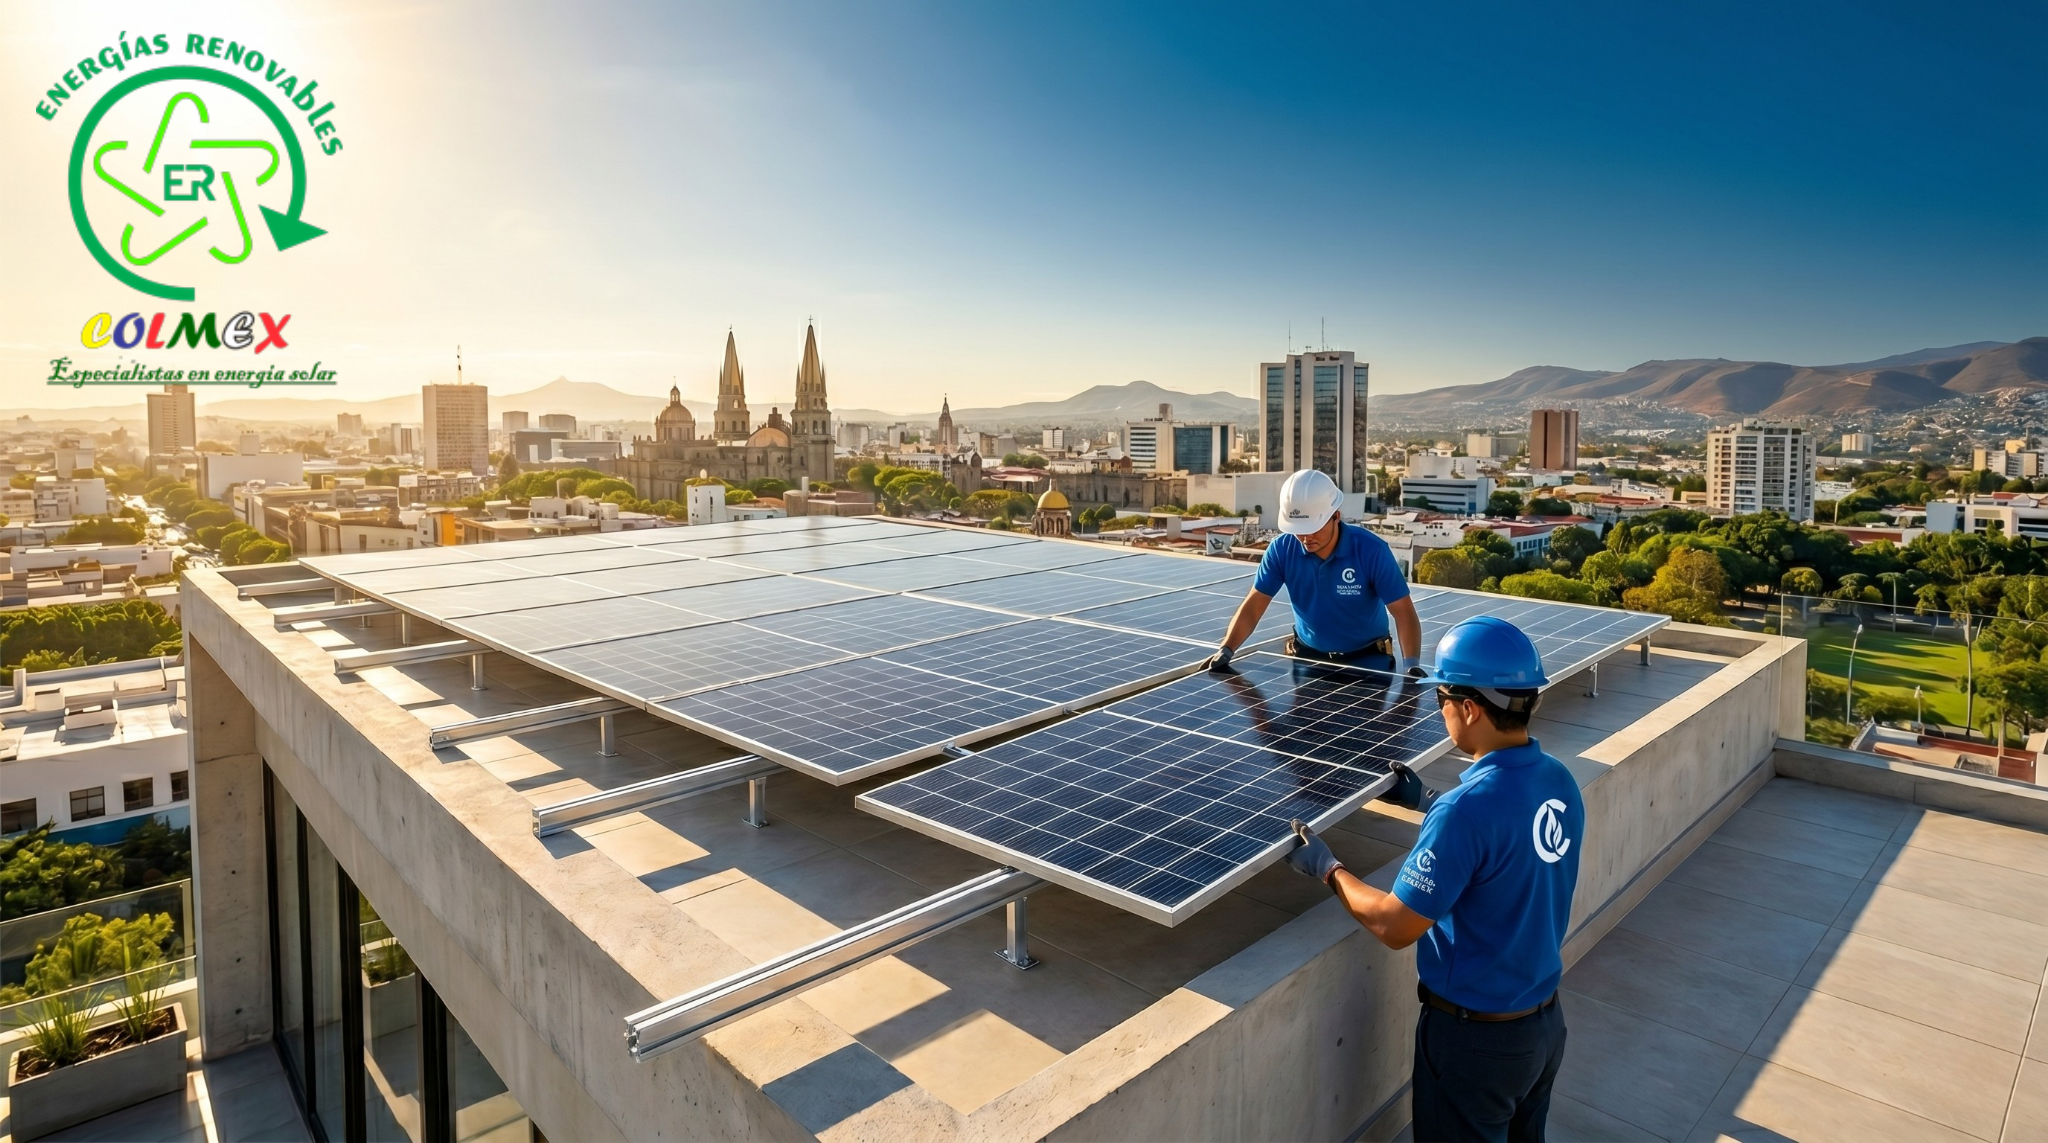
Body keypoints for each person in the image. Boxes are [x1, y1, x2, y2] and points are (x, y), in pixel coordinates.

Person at [1282, 616, 1584, 1143]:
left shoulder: (1466, 813)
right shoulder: (1558, 780)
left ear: (1469, 707)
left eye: (1442, 697)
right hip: (1541, 1031)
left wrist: (1329, 868)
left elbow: (1396, 926)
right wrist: (1428, 802)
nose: (1439, 708)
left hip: (1474, 1042)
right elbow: (1504, 847)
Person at [1207, 468, 1421, 675]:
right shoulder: (1282, 549)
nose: (1305, 537)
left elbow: (1403, 612)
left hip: (1368, 662)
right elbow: (1254, 605)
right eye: (1298, 530)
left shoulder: (1371, 551)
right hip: (1308, 661)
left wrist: (1411, 665)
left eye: (1312, 528)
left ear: (1336, 516)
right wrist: (1226, 649)